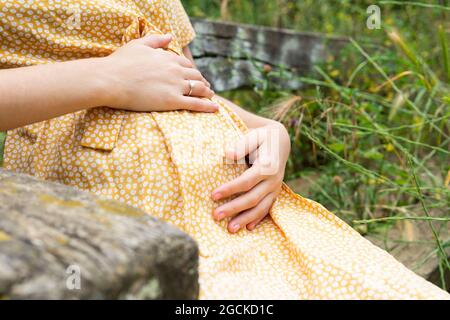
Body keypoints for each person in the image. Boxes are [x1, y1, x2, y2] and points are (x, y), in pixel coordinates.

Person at [0, 0, 448, 299]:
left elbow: (190, 86)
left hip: (248, 218)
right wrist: (105, 79)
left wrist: (270, 130)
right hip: (130, 226)